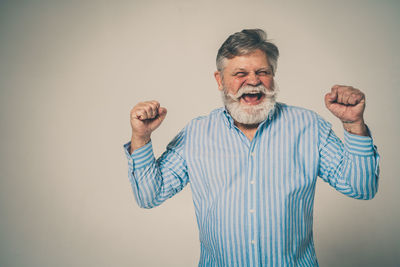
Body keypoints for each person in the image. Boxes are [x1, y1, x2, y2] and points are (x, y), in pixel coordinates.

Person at [123, 29, 379, 266]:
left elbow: (362, 187)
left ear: (273, 76)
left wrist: (353, 123)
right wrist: (141, 137)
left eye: (263, 72)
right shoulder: (196, 134)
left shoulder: (308, 127)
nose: (253, 81)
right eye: (240, 74)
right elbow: (149, 196)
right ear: (220, 79)